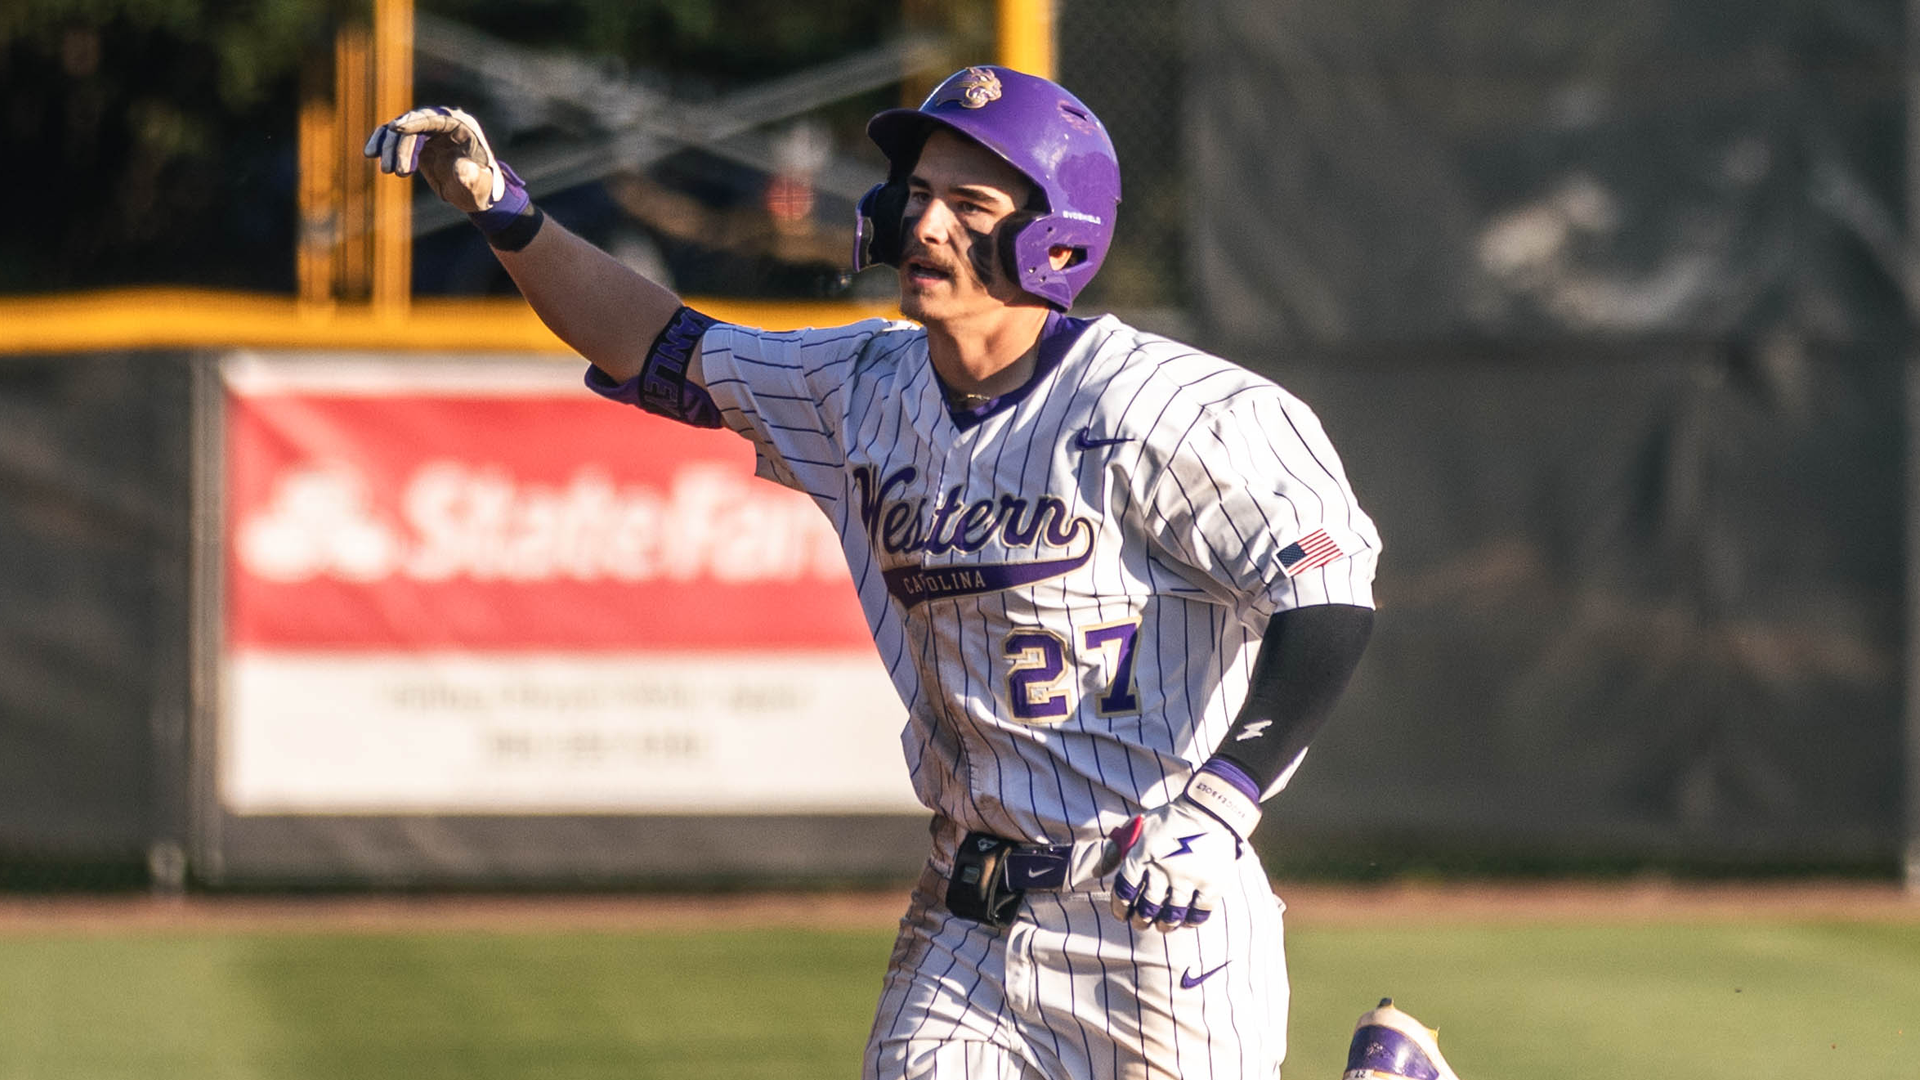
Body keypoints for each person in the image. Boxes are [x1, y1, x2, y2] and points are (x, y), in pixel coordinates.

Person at [368, 65, 1381, 1080]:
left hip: (1156, 918)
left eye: (970, 204)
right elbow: (661, 349)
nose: (925, 225)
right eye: (918, 194)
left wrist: (1221, 807)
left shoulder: (1176, 409)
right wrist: (504, 212)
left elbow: (1326, 599)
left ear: (1060, 237)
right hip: (964, 920)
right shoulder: (859, 385)